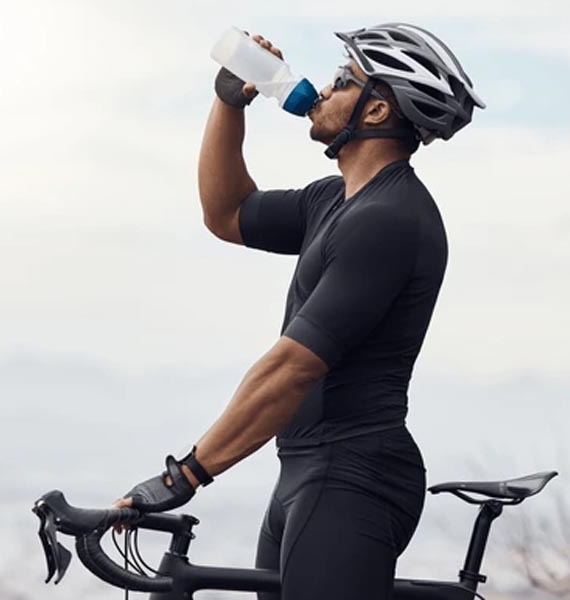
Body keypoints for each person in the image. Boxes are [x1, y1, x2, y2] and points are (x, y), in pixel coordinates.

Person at [113, 23, 485, 599]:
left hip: (354, 475)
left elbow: (293, 367)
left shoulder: (387, 220)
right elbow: (227, 213)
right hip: (305, 471)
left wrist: (182, 475)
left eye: (343, 80)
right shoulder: (332, 200)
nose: (324, 88)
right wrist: (228, 102)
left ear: (378, 110)